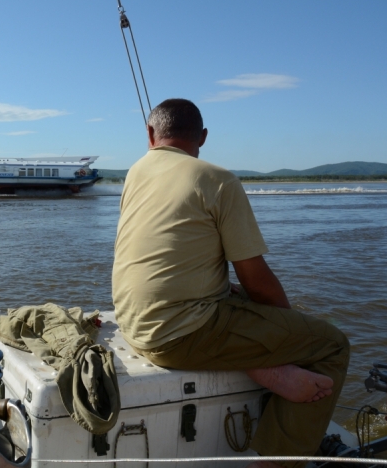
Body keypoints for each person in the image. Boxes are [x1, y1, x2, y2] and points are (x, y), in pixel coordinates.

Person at [111, 98, 350, 468]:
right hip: (178, 335)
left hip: (133, 323)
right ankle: (275, 462)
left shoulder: (135, 173)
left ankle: (267, 370)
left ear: (149, 134)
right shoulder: (218, 180)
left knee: (238, 302)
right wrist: (284, 336)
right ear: (203, 137)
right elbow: (255, 277)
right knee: (331, 344)